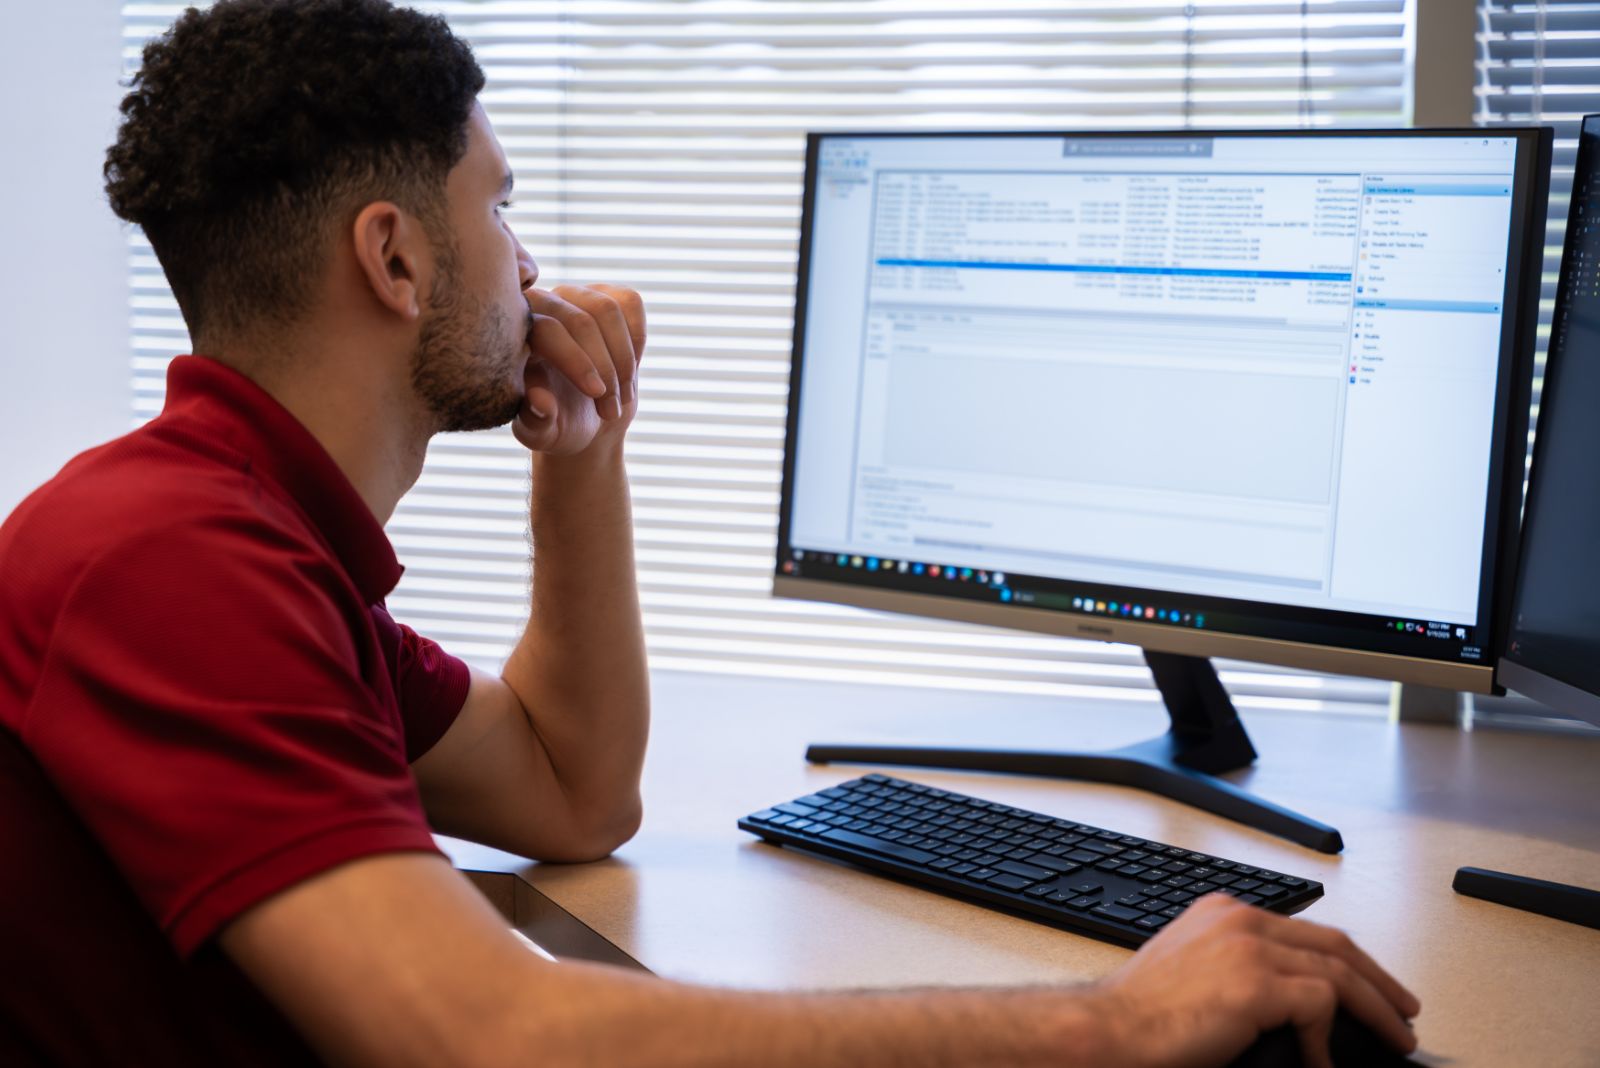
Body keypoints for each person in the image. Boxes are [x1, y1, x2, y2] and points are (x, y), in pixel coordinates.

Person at [0, 2, 1421, 1065]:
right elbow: (490, 1040)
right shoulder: (170, 565)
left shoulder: (250, 543)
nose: (534, 258)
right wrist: (1114, 1025)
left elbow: (572, 793)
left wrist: (583, 452)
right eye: (500, 201)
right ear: (393, 257)